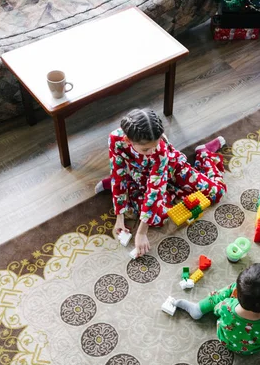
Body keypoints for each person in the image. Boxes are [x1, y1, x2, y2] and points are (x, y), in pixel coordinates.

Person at [95, 108, 227, 256]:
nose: (152, 151)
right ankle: (122, 184)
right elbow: (117, 171)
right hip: (139, 175)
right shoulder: (115, 139)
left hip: (169, 167)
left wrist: (141, 233)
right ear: (127, 140)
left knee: (216, 192)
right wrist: (119, 216)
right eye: (146, 149)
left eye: (155, 145)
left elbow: (155, 189)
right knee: (157, 218)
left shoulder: (161, 150)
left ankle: (204, 154)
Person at [173, 264, 260, 354]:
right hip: (254, 349)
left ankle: (199, 308)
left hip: (226, 340)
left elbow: (218, 309)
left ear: (235, 296)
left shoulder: (226, 306)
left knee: (233, 288)